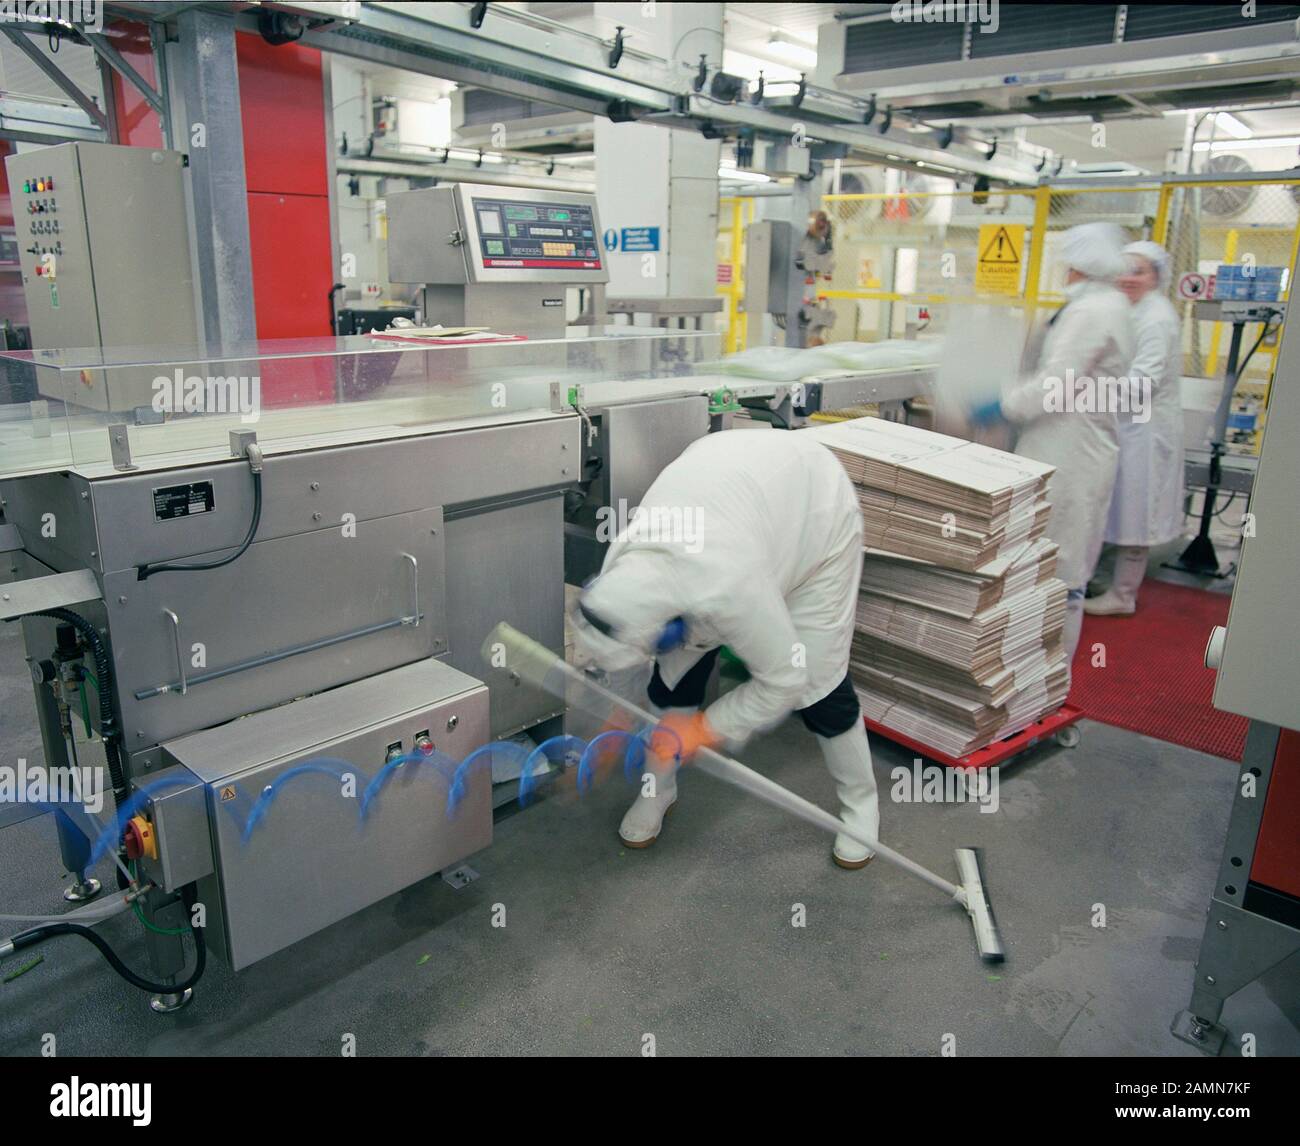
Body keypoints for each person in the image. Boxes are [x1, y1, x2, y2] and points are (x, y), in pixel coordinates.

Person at [572, 430, 878, 869]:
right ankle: (659, 787)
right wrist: (617, 716)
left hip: (816, 518)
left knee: (817, 681)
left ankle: (860, 806)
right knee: (674, 679)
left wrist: (704, 728)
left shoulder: (729, 587)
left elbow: (782, 682)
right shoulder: (627, 561)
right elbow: (621, 649)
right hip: (734, 491)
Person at [974, 222, 1136, 662]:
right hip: (1071, 446)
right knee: (1052, 561)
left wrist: (1002, 405)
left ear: (1079, 265)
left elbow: (1056, 384)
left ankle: (1045, 675)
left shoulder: (1091, 311)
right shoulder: (1106, 305)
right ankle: (1035, 668)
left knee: (1059, 569)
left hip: (1069, 452)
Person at [1086, 241, 1184, 616]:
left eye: (1138, 271)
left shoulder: (1155, 317)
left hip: (1145, 430)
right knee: (1119, 504)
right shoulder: (1133, 310)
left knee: (1136, 509)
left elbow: (1143, 382)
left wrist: (1084, 392)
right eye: (1123, 269)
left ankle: (1123, 595)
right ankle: (1109, 580)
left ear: (1156, 276)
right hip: (1127, 424)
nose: (1127, 278)